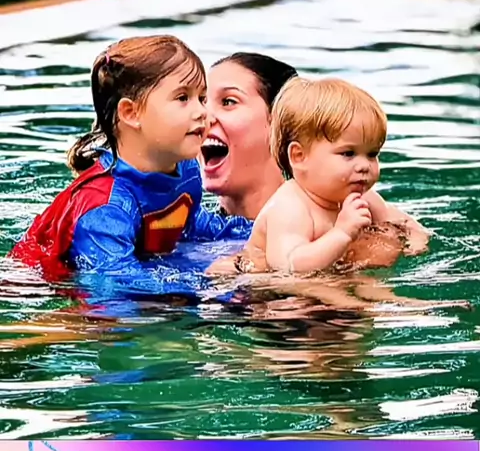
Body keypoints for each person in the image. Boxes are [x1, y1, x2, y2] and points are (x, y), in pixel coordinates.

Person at [9, 36, 252, 281]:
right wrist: (209, 283)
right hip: (35, 283)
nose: (202, 112)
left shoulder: (185, 169)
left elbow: (191, 227)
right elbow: (118, 285)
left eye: (201, 98)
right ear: (131, 113)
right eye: (182, 98)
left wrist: (258, 231)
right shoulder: (106, 209)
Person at [228, 76, 429, 274]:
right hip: (273, 286)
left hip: (332, 274)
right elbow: (288, 266)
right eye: (348, 153)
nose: (364, 166)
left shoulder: (365, 198)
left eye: (372, 154)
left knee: (368, 280)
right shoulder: (290, 207)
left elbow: (403, 223)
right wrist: (341, 233)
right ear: (299, 156)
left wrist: (415, 241)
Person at [201, 52, 298, 220]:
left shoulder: (329, 229)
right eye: (202, 101)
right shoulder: (181, 221)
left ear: (280, 123)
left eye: (228, 102)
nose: (203, 117)